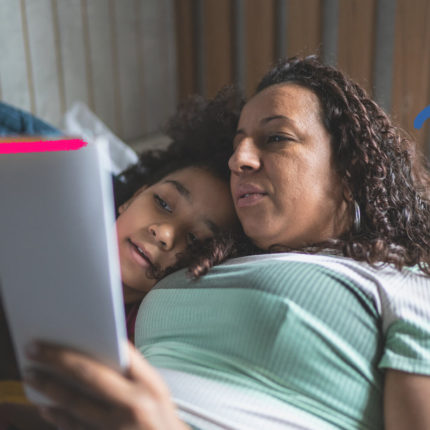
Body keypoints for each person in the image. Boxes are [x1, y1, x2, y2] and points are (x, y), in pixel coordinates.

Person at [23, 56, 430, 429]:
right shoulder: (207, 262)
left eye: (276, 138)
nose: (239, 159)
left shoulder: (403, 280)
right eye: (238, 143)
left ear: (348, 169)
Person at [0, 88, 244, 430]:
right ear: (133, 197)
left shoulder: (144, 341)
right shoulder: (51, 207)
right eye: (163, 203)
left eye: (193, 239)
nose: (163, 233)